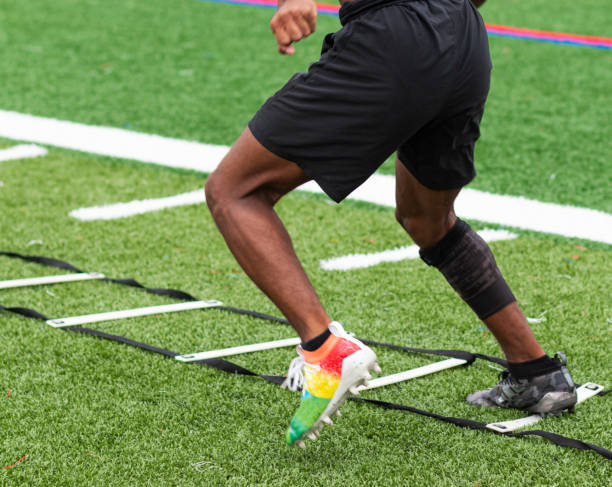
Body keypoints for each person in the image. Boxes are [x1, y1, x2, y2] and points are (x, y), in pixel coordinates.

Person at [204, 0, 576, 447]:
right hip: (465, 38)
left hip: (396, 35)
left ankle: (324, 349)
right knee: (428, 219)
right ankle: (537, 372)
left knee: (234, 191)